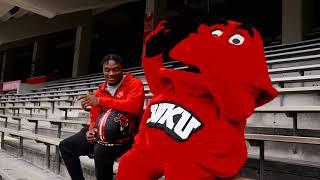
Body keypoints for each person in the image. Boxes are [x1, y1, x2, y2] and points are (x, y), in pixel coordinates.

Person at [59, 54, 145, 180]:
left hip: (126, 136)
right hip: (102, 133)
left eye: (116, 69)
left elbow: (133, 107)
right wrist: (91, 131)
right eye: (107, 70)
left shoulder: (134, 84)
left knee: (101, 149)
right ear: (103, 70)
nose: (111, 73)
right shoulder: (99, 91)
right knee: (66, 146)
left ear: (122, 69)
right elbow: (94, 117)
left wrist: (100, 100)